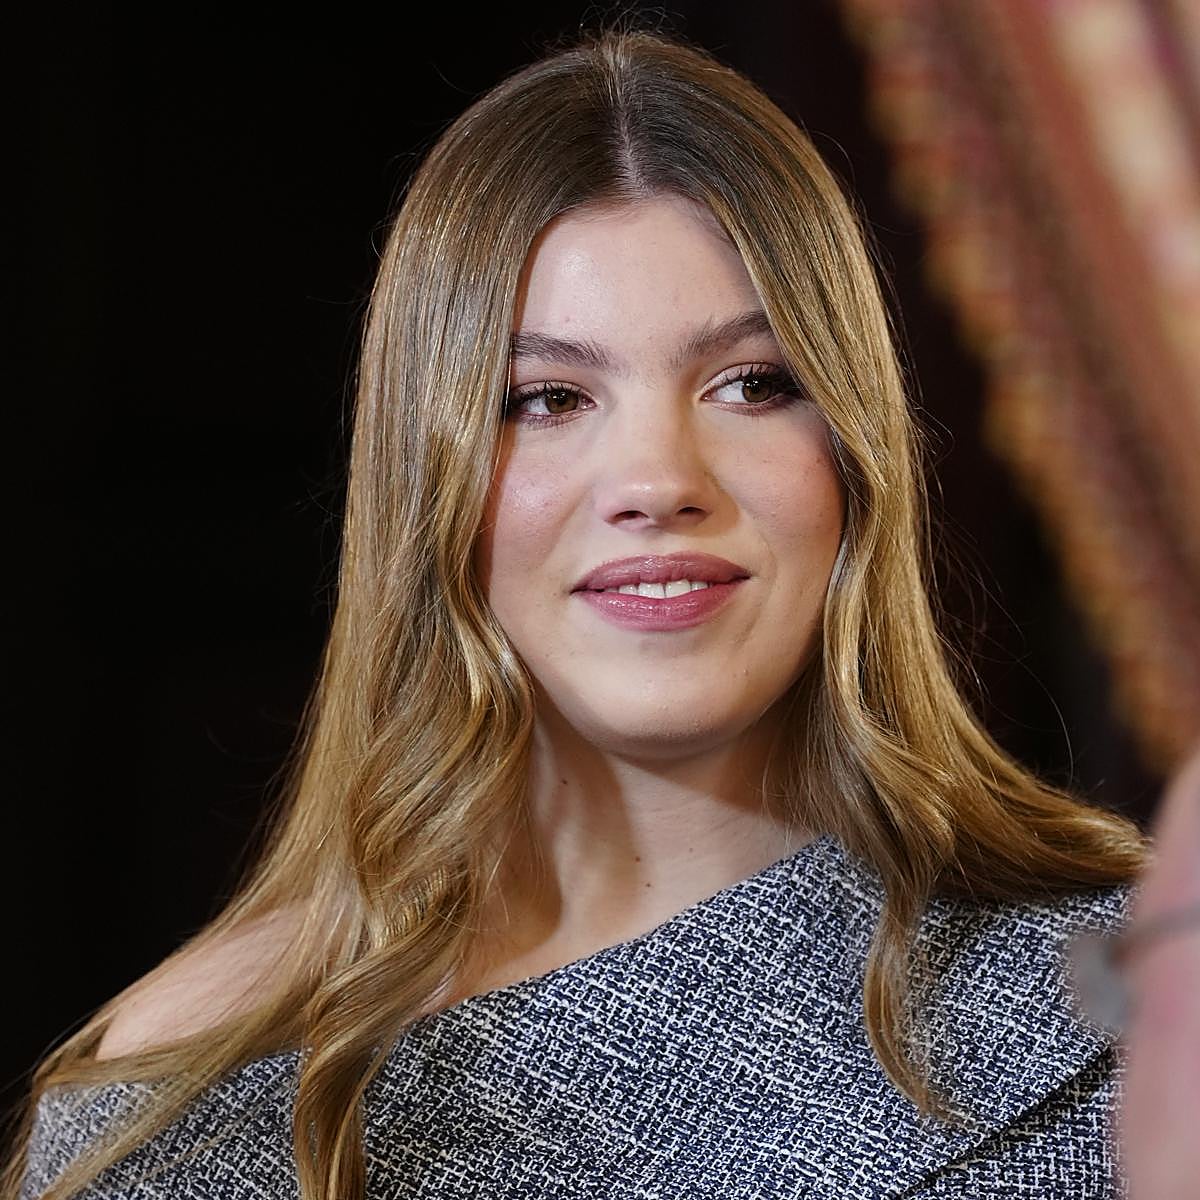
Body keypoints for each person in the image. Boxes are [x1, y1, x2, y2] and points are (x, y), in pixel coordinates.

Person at [4, 28, 1146, 1200]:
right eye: (547, 399)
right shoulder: (196, 1108)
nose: (657, 480)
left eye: (753, 383)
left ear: (857, 453)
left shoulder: (1138, 1003)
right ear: (425, 484)